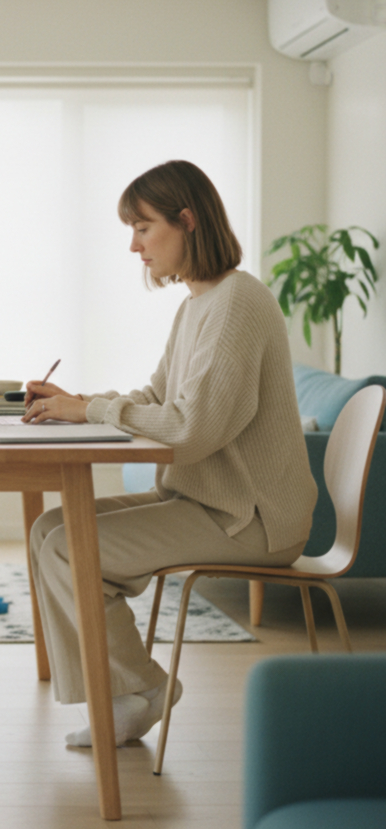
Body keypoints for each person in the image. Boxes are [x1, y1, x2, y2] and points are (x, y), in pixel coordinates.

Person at [22, 159, 317, 748]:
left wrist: (91, 412)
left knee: (67, 546)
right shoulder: (198, 305)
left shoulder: (237, 303)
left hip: (249, 519)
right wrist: (81, 402)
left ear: (187, 220)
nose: (134, 246)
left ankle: (139, 693)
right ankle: (126, 691)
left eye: (143, 227)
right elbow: (159, 398)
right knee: (49, 530)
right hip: (207, 504)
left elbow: (191, 430)